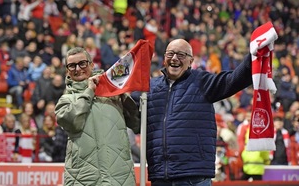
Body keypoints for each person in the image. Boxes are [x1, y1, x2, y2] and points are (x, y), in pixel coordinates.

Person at [133, 39, 253, 186]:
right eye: (170, 54)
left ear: (191, 61)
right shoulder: (149, 88)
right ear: (164, 58)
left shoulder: (201, 81)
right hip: (160, 177)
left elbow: (233, 80)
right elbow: (131, 115)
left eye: (181, 54)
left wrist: (254, 56)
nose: (175, 58)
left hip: (193, 177)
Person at [55, 47, 140, 185]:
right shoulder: (66, 100)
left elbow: (137, 124)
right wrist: (89, 91)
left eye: (82, 63)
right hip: (84, 179)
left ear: (91, 64)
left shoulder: (113, 94)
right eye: (72, 65)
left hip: (119, 176)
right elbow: (73, 123)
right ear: (67, 70)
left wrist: (124, 95)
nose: (77, 69)